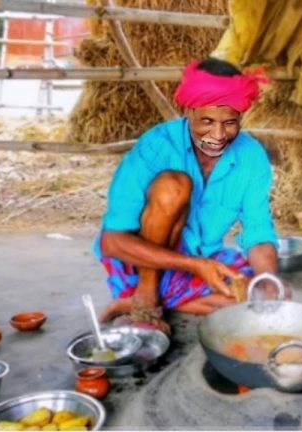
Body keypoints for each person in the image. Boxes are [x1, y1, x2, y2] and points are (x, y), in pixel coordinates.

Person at [94, 58, 280, 334]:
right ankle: (146, 297)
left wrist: (268, 281)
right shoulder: (157, 145)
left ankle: (136, 303)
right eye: (207, 121)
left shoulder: (251, 157)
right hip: (140, 259)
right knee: (174, 186)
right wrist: (195, 266)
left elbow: (258, 231)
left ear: (241, 116)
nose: (218, 135)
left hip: (201, 256)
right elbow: (112, 241)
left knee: (254, 300)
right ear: (188, 110)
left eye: (230, 123)